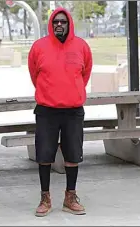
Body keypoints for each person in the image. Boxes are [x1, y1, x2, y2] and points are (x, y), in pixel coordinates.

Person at [28, 8, 92, 217]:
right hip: (47, 110)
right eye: (56, 21)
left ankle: (70, 197)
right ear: (51, 24)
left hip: (73, 111)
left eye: (63, 22)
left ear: (69, 24)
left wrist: (71, 92)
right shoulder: (39, 47)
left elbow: (85, 73)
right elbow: (34, 74)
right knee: (44, 155)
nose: (59, 25)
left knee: (73, 155)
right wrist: (50, 92)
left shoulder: (81, 46)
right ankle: (45, 198)